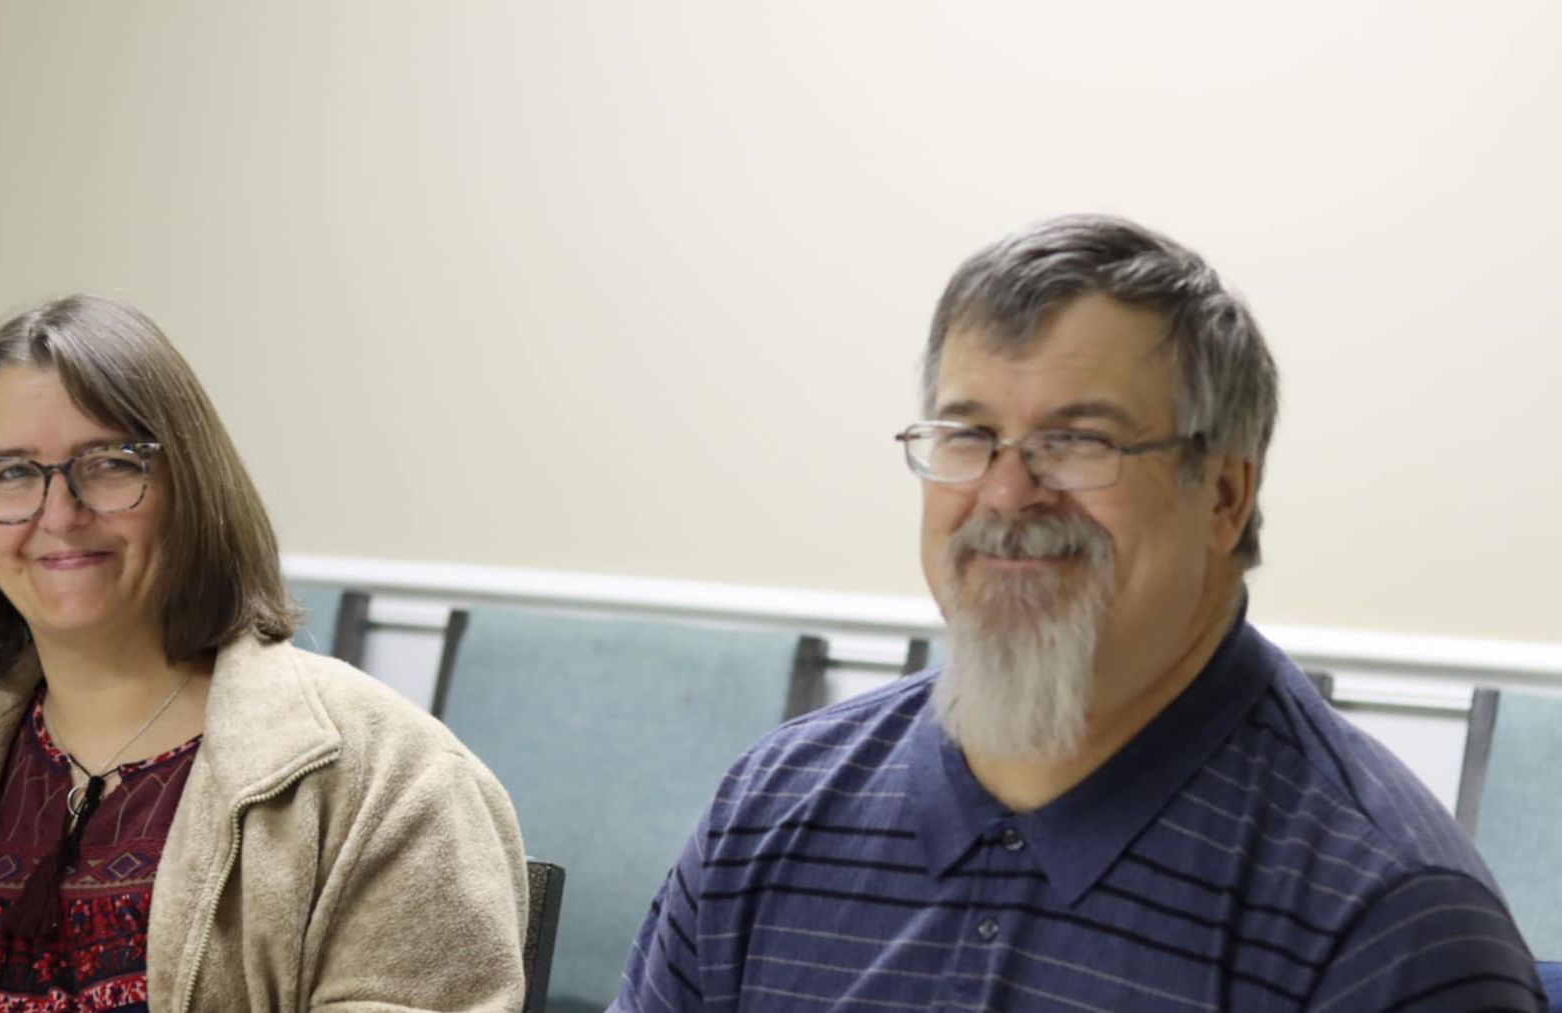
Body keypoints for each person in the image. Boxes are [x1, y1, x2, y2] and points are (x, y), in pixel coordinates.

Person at [613, 215, 1547, 1010]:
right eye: (970, 436)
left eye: (1080, 441)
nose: (1009, 493)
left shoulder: (1387, 922)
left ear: (1223, 493)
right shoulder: (770, 811)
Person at [0, 295, 528, 1011]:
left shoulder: (392, 784)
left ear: (192, 483)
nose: (59, 512)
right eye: (13, 473)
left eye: (111, 463)